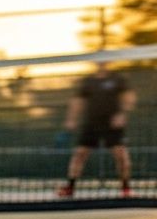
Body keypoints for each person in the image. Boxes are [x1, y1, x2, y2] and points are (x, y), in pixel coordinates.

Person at [57, 62, 135, 198]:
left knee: (121, 155)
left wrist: (122, 113)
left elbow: (129, 97)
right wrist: (71, 119)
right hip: (91, 124)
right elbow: (77, 101)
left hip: (112, 124)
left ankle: (126, 188)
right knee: (80, 154)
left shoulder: (117, 79)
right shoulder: (88, 81)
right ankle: (70, 187)